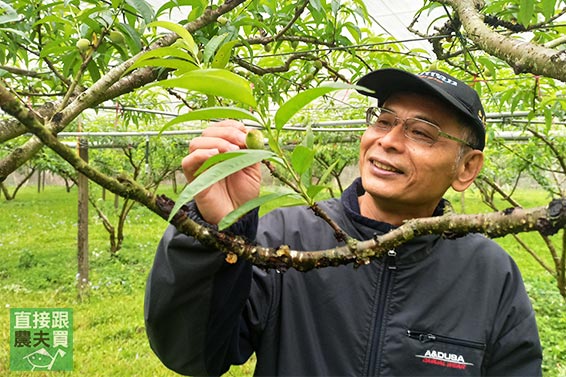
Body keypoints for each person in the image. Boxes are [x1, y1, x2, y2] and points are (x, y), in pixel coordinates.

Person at [144, 68, 542, 376]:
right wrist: (217, 234)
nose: (388, 140)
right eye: (383, 121)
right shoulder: (285, 238)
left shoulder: (489, 273)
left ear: (467, 168)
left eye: (422, 132)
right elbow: (192, 354)